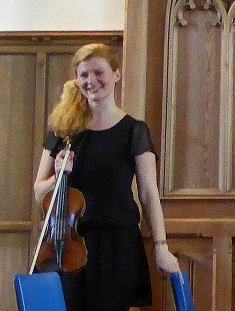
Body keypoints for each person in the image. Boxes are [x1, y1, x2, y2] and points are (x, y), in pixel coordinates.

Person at [33, 42, 180, 311]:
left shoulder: (134, 131)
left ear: (116, 74)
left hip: (117, 243)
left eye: (98, 72)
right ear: (77, 80)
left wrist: (161, 245)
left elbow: (148, 194)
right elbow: (38, 192)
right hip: (67, 244)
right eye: (84, 75)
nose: (91, 81)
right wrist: (58, 177)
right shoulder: (62, 131)